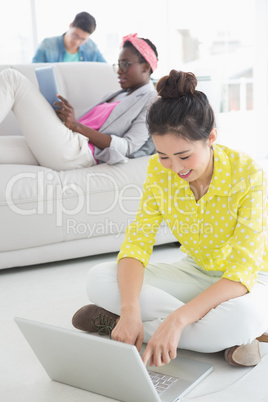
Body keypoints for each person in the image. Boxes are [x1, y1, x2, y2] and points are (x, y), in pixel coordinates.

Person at [72, 69, 268, 368]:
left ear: (211, 138)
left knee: (242, 318)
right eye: (164, 156)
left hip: (252, 280)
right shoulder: (157, 172)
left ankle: (122, 325)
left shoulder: (248, 174)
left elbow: (243, 271)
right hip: (196, 271)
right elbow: (136, 246)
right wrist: (130, 308)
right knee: (99, 278)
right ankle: (222, 340)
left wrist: (177, 319)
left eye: (184, 155)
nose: (174, 167)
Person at [0, 34, 158, 170]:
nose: (119, 70)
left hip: (79, 153)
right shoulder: (117, 94)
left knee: (12, 78)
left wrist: (76, 125)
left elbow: (127, 147)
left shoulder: (151, 100)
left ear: (145, 67)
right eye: (118, 64)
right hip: (67, 140)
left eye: (125, 64)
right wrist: (64, 116)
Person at [32, 11, 106, 63]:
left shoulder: (92, 48)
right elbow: (33, 71)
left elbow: (105, 70)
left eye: (82, 39)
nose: (77, 42)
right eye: (75, 35)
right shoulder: (47, 45)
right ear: (70, 26)